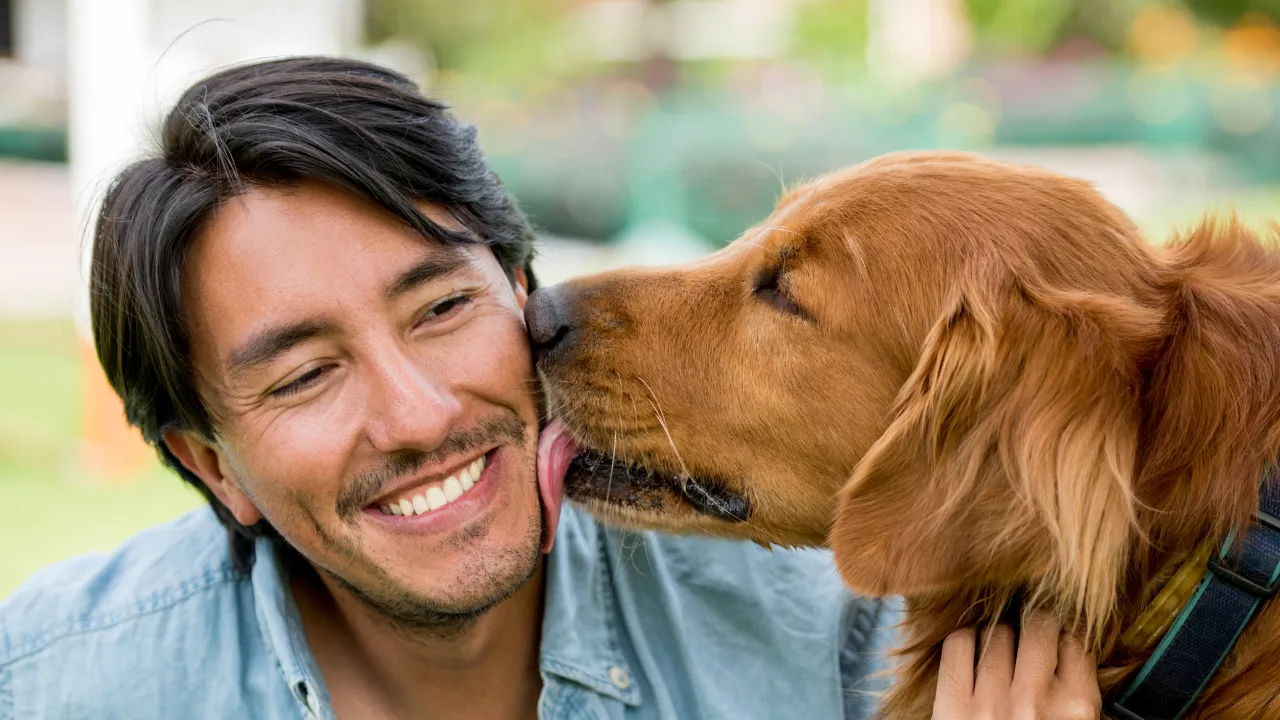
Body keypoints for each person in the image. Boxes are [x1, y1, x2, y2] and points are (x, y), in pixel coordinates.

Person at [0, 57, 1098, 719]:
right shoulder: (55, 686)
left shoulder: (862, 640)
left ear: (521, 287)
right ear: (210, 466)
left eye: (441, 310)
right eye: (304, 376)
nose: (420, 415)